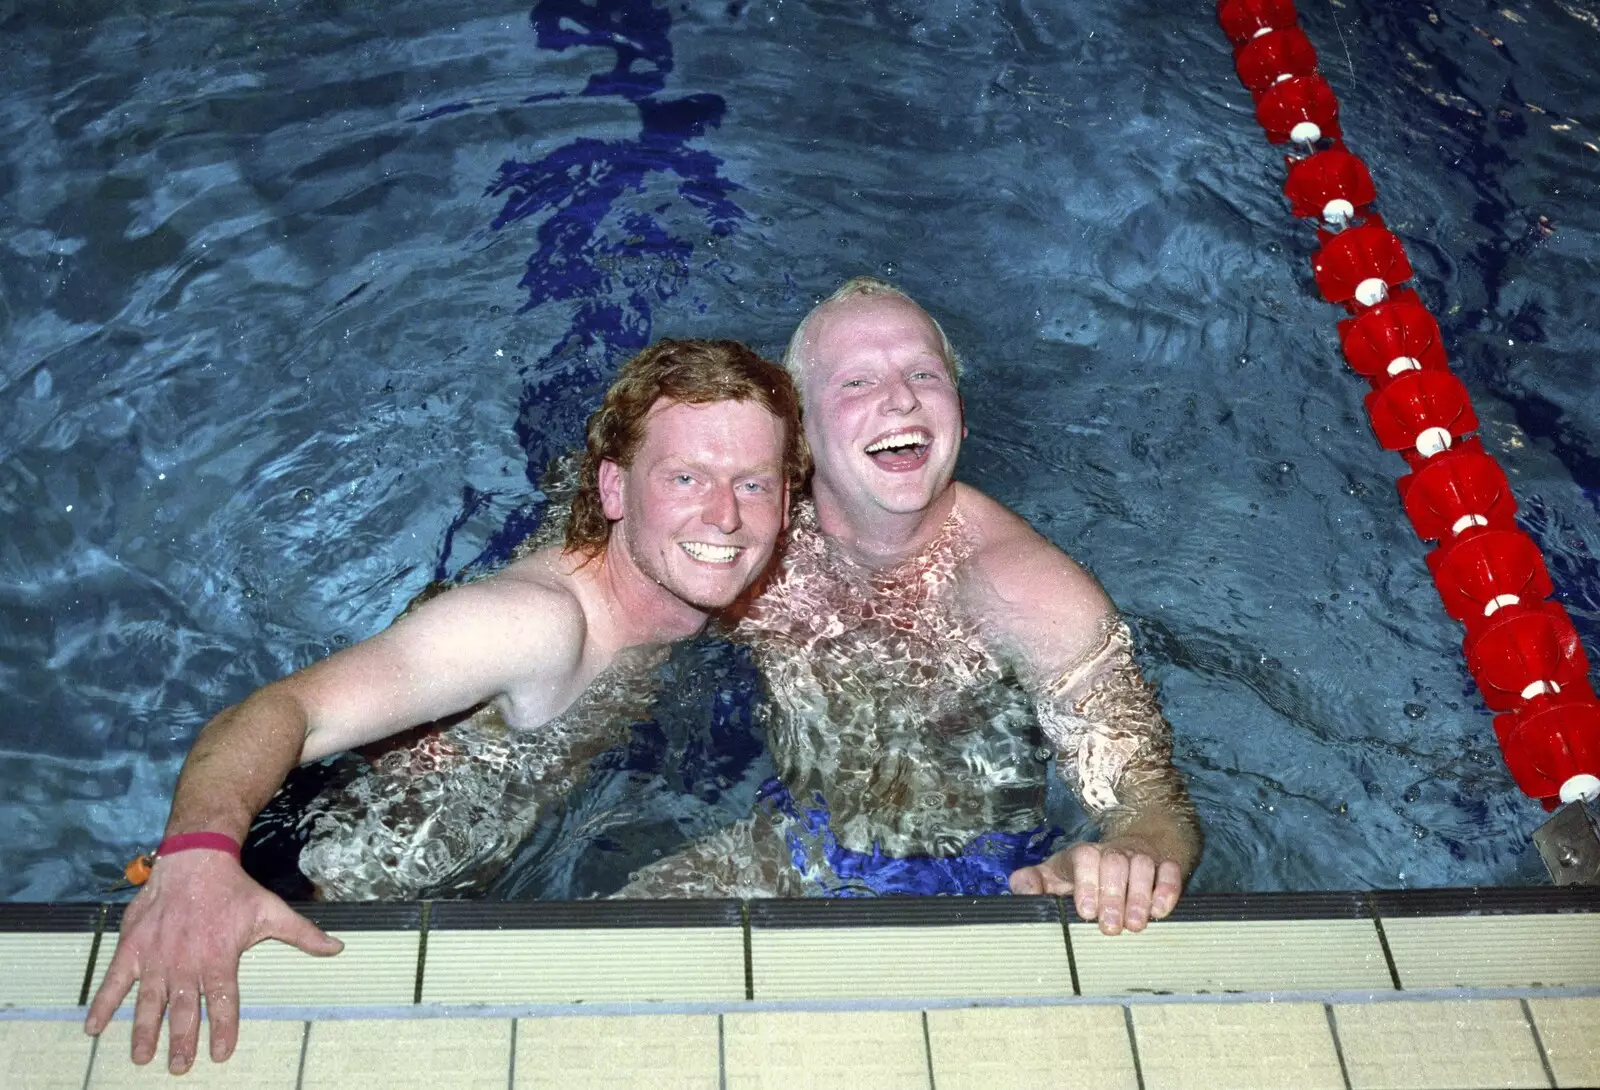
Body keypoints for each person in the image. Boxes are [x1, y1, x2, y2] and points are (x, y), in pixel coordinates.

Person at [83, 338, 806, 1075]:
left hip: (465, 860)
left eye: (752, 484)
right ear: (615, 491)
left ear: (786, 499)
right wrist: (200, 862)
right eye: (686, 477)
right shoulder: (534, 628)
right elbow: (281, 710)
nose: (724, 517)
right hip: (318, 875)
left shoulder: (687, 570)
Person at [616, 278, 1203, 932]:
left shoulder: (1029, 591)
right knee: (616, 937)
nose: (900, 399)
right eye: (856, 383)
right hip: (798, 839)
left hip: (986, 874)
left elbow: (1146, 796)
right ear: (799, 433)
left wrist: (1134, 852)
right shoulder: (746, 548)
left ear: (960, 415)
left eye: (924, 374)